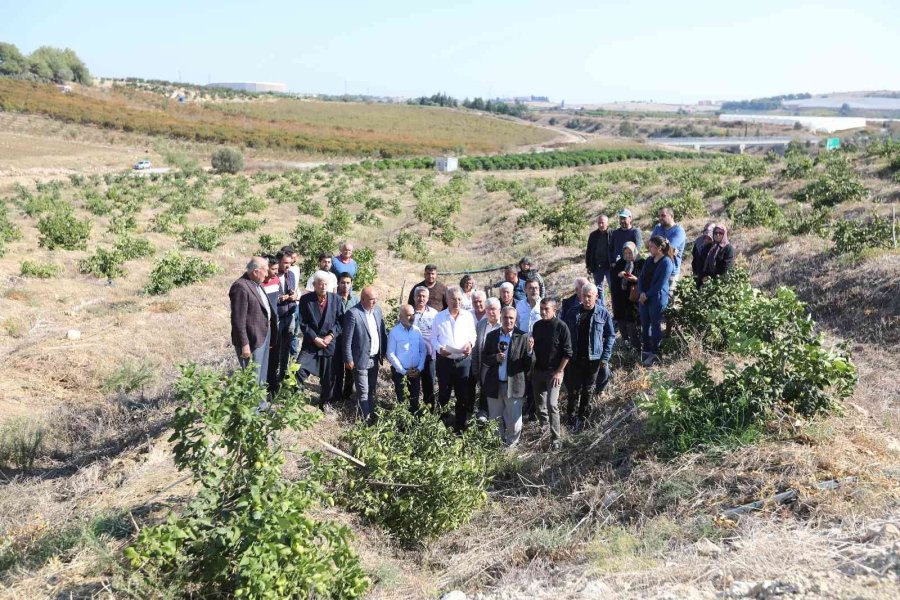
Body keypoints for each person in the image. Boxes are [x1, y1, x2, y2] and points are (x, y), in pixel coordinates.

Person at [563, 282, 615, 433]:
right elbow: (564, 335)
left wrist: (605, 357)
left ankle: (583, 418)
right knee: (573, 390)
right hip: (575, 359)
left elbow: (610, 336)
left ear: (596, 297)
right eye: (583, 296)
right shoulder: (572, 312)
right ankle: (571, 419)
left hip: (593, 359)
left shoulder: (603, 313)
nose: (586, 299)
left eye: (589, 296)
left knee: (588, 389)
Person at [481, 306, 533, 447]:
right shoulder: (492, 336)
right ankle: (497, 445)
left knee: (514, 421)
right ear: (500, 317)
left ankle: (510, 447)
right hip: (494, 384)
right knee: (495, 419)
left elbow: (528, 366)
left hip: (514, 385)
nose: (508, 320)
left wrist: (529, 352)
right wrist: (495, 358)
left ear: (515, 320)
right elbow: (484, 358)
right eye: (505, 317)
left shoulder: (523, 336)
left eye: (511, 318)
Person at [297, 270, 345, 410]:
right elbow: (303, 323)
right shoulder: (306, 300)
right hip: (312, 342)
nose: (323, 286)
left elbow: (340, 321)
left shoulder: (336, 299)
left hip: (329, 342)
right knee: (298, 369)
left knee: (329, 376)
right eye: (320, 284)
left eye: (325, 284)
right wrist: (315, 338)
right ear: (314, 285)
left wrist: (331, 336)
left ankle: (325, 402)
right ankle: (294, 397)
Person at [432, 286, 477, 432]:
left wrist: (470, 344)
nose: (456, 302)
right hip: (445, 361)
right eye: (453, 299)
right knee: (444, 394)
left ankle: (460, 425)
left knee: (462, 395)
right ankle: (442, 424)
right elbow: (433, 339)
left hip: (463, 361)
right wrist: (440, 349)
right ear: (447, 299)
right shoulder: (439, 317)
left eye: (459, 299)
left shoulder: (468, 316)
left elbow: (473, 335)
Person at [229, 257, 278, 388]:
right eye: (265, 271)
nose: (268, 274)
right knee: (252, 377)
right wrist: (244, 344)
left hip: (263, 335)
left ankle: (261, 405)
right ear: (256, 271)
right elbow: (238, 320)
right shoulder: (240, 287)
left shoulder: (257, 284)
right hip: (251, 340)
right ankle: (253, 408)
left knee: (262, 374)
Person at [531, 298, 572, 450]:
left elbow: (568, 353)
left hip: (554, 372)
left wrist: (559, 371)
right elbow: (533, 350)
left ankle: (556, 438)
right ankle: (544, 428)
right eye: (541, 308)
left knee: (552, 404)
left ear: (554, 310)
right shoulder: (537, 326)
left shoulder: (561, 327)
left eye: (546, 309)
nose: (543, 312)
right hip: (538, 371)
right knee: (539, 404)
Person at [343, 286, 387, 422]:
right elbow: (347, 340)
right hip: (360, 359)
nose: (374, 302)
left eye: (375, 299)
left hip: (374, 359)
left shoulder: (377, 311)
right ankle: (366, 420)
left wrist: (383, 352)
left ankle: (369, 413)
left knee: (371, 390)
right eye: (371, 299)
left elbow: (382, 333)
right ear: (362, 299)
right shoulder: (353, 313)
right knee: (363, 391)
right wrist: (348, 359)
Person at [638, 236, 676, 366]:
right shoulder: (649, 260)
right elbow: (641, 277)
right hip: (644, 297)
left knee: (655, 325)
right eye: (649, 246)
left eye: (652, 246)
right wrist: (641, 292)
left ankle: (655, 352)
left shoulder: (667, 262)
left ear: (660, 248)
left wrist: (647, 294)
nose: (649, 248)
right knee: (645, 324)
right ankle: (647, 350)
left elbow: (660, 284)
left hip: (657, 298)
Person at [387, 304, 427, 413]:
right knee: (402, 401)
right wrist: (404, 371)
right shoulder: (394, 332)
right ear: (400, 317)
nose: (411, 317)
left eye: (412, 314)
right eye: (408, 315)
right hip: (401, 374)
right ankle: (402, 427)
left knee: (414, 401)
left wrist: (420, 368)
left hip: (415, 372)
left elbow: (423, 350)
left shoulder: (417, 331)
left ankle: (414, 424)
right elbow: (390, 354)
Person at [471, 297, 502, 423]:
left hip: (500, 367)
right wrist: (475, 369)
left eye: (494, 309)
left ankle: (498, 419)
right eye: (488, 309)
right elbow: (476, 348)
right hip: (485, 366)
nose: (491, 312)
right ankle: (484, 417)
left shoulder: (504, 324)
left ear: (499, 310)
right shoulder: (481, 324)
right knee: (485, 391)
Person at [610, 242, 644, 350]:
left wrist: (635, 279)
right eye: (625, 253)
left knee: (632, 323)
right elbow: (614, 279)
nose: (628, 255)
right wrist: (620, 275)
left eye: (630, 253)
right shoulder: (621, 263)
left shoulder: (641, 263)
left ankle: (637, 347)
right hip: (621, 298)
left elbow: (644, 279)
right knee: (622, 322)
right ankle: (626, 345)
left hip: (634, 299)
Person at [274, 251, 300, 388]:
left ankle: (282, 376)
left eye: (290, 263)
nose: (288, 266)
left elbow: (295, 291)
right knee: (275, 348)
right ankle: (272, 377)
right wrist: (280, 298)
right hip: (278, 316)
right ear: (278, 262)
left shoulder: (291, 274)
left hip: (290, 315)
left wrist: (294, 295)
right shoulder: (272, 275)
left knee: (287, 347)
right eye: (285, 263)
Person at [412, 286, 440, 409]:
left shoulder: (434, 314)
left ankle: (429, 413)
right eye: (418, 295)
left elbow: (439, 333)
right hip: (413, 357)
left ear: (428, 298)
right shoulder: (409, 312)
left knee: (429, 385)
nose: (421, 298)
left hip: (430, 356)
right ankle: (413, 412)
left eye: (424, 296)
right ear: (414, 297)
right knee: (413, 387)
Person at [335, 272, 359, 400]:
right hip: (337, 337)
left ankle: (347, 394)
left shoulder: (356, 300)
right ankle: (336, 393)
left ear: (351, 284)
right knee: (337, 367)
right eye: (343, 282)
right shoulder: (333, 298)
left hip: (351, 339)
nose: (345, 285)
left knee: (350, 367)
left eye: (348, 283)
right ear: (338, 283)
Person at [651, 207, 687, 291]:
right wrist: (666, 247)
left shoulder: (679, 231)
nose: (660, 218)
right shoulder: (658, 228)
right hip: (656, 269)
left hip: (671, 273)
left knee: (669, 300)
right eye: (659, 216)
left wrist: (667, 249)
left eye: (663, 215)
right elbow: (650, 246)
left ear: (671, 216)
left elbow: (668, 250)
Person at [695, 224, 735, 288]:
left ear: (724, 234)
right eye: (716, 233)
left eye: (720, 233)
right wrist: (702, 276)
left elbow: (726, 268)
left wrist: (711, 278)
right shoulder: (708, 247)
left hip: (719, 284)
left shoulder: (728, 249)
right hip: (703, 281)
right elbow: (700, 263)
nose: (717, 235)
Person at [585, 214, 612, 299]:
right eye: (599, 223)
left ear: (607, 223)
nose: (601, 225)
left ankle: (616, 308)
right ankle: (601, 308)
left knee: (613, 287)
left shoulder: (613, 234)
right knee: (598, 289)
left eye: (602, 223)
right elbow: (589, 250)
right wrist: (588, 265)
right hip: (597, 266)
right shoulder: (593, 235)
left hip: (610, 266)